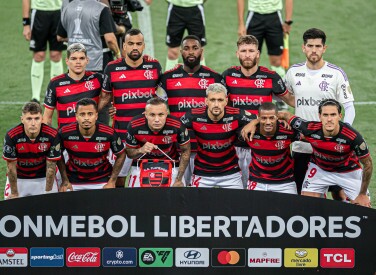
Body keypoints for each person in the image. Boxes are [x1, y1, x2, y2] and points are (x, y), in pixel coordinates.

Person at [284, 28, 356, 197]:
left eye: (318, 46)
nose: (314, 50)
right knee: (303, 193)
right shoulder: (293, 73)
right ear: (303, 48)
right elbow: (285, 98)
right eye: (310, 46)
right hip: (303, 145)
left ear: (324, 48)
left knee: (339, 193)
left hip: (330, 146)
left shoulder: (336, 74)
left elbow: (350, 107)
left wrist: (343, 133)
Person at [222, 35, 294, 185]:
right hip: (234, 145)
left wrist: (287, 118)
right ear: (237, 53)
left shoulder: (271, 77)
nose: (247, 55)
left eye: (251, 50)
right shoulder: (228, 76)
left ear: (258, 54)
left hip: (262, 147)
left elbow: (293, 101)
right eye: (243, 51)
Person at [277, 99, 372, 207]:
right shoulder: (309, 128)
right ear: (319, 116)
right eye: (325, 115)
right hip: (320, 169)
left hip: (348, 172)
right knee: (307, 205)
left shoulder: (353, 136)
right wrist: (255, 121)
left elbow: (368, 164)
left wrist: (363, 193)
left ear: (340, 116)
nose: (329, 119)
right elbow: (284, 114)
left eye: (333, 115)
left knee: (364, 208)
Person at [99, 28, 162, 187]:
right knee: (119, 179)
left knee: (151, 179)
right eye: (131, 43)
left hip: (149, 136)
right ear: (124, 47)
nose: (135, 47)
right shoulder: (112, 68)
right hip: (122, 136)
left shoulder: (154, 66)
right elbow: (105, 97)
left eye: (139, 44)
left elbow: (162, 96)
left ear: (143, 46)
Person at [158, 35, 224, 185]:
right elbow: (157, 108)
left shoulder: (215, 78)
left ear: (201, 51)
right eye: (187, 49)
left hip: (205, 149)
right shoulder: (167, 79)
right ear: (181, 51)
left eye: (195, 48)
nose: (191, 52)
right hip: (177, 148)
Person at [181, 83, 256, 188]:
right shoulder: (193, 116)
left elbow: (262, 118)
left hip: (231, 173)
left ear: (226, 101)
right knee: (197, 204)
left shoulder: (237, 114)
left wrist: (253, 123)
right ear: (206, 101)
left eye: (220, 100)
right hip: (202, 173)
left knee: (238, 203)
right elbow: (173, 126)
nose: (216, 104)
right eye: (212, 100)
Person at [58, 98, 126, 191]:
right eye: (82, 114)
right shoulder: (64, 133)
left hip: (102, 181)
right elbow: (57, 154)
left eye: (90, 114)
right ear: (76, 116)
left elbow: (121, 154)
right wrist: (65, 180)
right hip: (73, 181)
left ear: (96, 116)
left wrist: (112, 181)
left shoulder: (108, 133)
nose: (86, 118)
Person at [125, 97, 191, 187]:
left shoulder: (177, 125)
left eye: (161, 115)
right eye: (152, 115)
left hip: (171, 164)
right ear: (145, 114)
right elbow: (129, 153)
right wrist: (140, 150)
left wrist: (179, 179)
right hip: (141, 164)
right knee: (137, 198)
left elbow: (186, 151)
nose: (157, 120)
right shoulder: (134, 125)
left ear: (166, 114)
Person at [3, 102, 61, 199]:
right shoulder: (12, 135)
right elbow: (10, 167)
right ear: (22, 119)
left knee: (49, 210)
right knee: (13, 210)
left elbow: (51, 168)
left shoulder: (52, 135)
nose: (33, 123)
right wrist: (14, 193)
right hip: (19, 178)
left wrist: (47, 191)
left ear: (42, 119)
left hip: (43, 178)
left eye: (37, 119)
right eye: (29, 119)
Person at [43, 43, 106, 128]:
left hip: (91, 137)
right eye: (73, 58)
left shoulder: (98, 79)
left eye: (82, 58)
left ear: (87, 60)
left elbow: (110, 96)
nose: (78, 62)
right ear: (67, 61)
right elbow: (47, 118)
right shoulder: (55, 83)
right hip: (66, 138)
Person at [244, 102, 300, 194]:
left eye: (271, 118)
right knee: (253, 208)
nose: (268, 122)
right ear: (258, 118)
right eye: (264, 118)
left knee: (290, 209)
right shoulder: (249, 131)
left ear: (277, 117)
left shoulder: (288, 131)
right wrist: (252, 122)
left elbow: (308, 137)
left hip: (285, 183)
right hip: (257, 182)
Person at [57, 0, 122, 72]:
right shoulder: (101, 8)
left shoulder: (67, 8)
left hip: (74, 64)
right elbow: (110, 40)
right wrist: (118, 55)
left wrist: (78, 38)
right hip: (98, 63)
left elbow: (60, 37)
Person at [22, 0, 66, 102]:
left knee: (56, 55)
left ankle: (56, 95)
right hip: (39, 12)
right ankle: (35, 97)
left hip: (59, 13)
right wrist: (26, 23)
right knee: (39, 55)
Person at [237, 0, 293, 79]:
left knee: (276, 61)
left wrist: (288, 21)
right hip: (254, 17)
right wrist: (241, 24)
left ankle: (280, 88)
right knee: (251, 59)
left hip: (275, 17)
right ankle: (250, 87)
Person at [145, 0, 207, 70]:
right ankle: (168, 79)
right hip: (175, 10)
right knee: (172, 52)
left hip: (196, 9)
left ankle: (203, 79)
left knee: (198, 52)